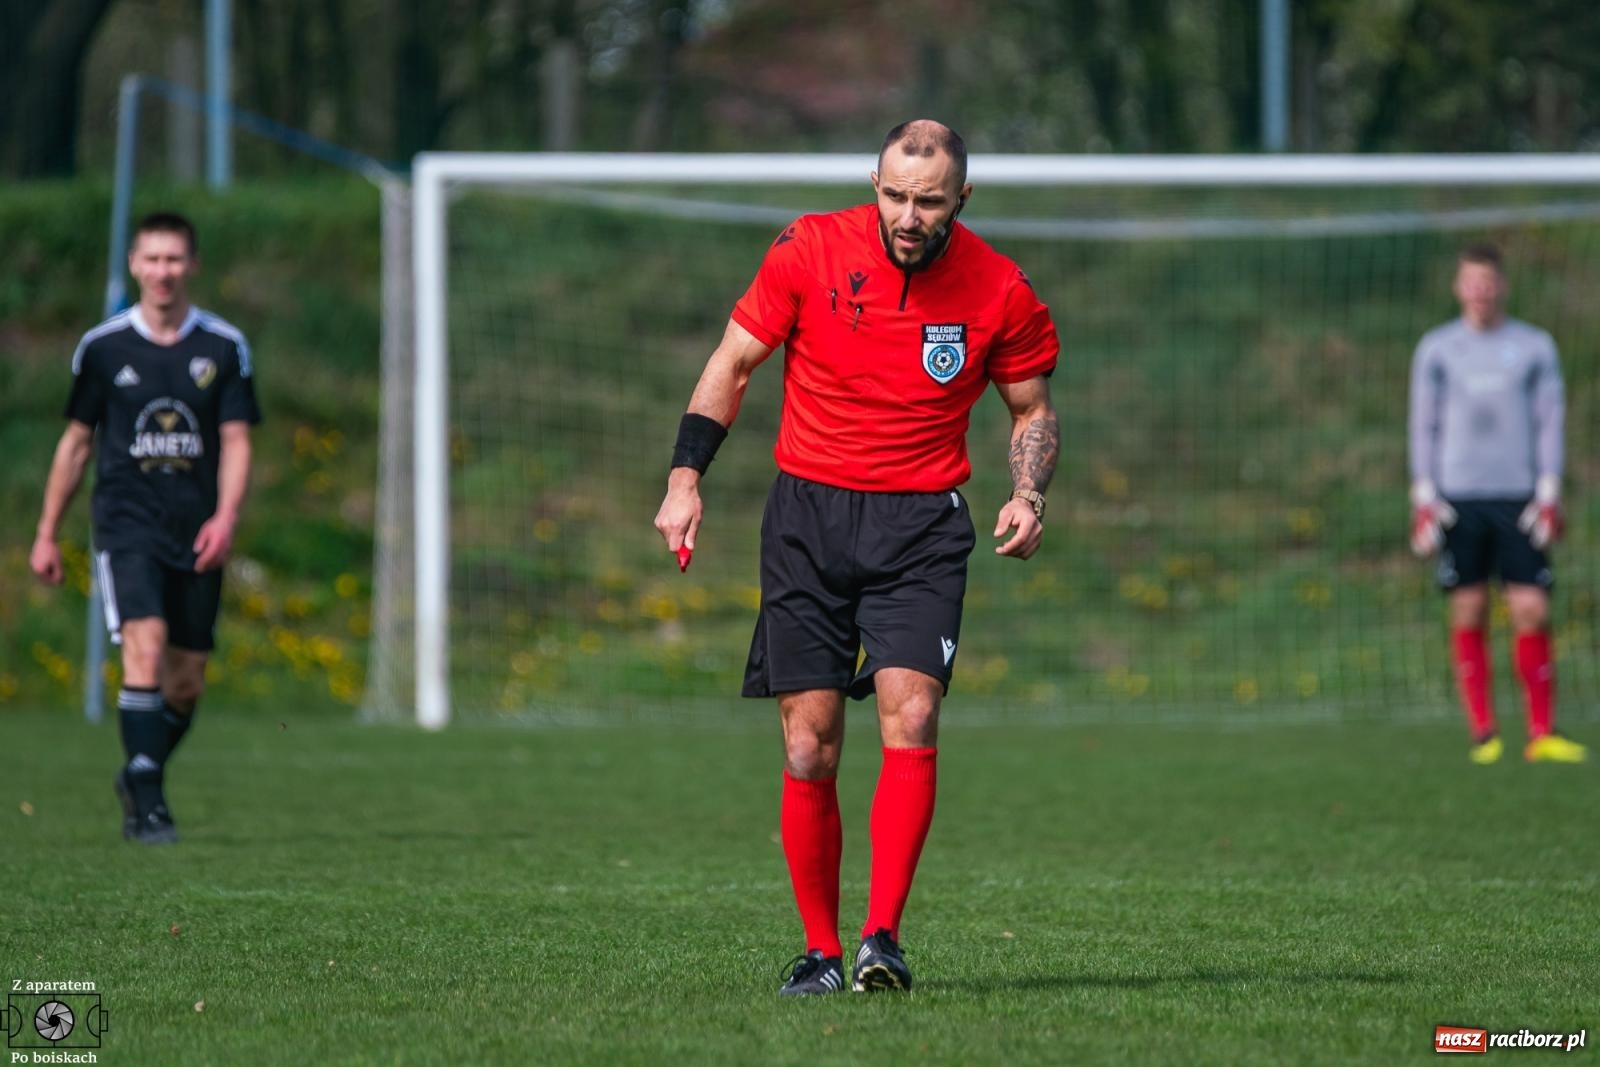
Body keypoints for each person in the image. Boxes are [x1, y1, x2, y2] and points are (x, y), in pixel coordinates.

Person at [653, 120, 1060, 995]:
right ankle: (820, 950)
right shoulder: (808, 248)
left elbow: (1031, 408)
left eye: (929, 202)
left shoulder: (999, 287)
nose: (909, 218)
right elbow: (734, 361)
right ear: (873, 182)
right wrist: (685, 479)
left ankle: (882, 938)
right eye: (895, 196)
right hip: (808, 518)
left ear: (962, 200)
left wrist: (1027, 495)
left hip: (921, 528)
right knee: (811, 748)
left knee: (910, 716)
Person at [30, 211, 261, 843]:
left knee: (185, 681)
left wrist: (226, 516)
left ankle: (141, 767)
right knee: (145, 643)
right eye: (152, 259)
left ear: (193, 266)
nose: (163, 271)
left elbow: (237, 440)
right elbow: (77, 444)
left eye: (174, 259)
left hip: (197, 528)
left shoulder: (223, 346)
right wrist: (47, 530)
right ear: (134, 265)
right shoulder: (103, 348)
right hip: (126, 524)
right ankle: (151, 806)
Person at [1408, 243, 1585, 765]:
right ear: (1458, 287)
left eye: (1489, 281)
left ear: (1501, 285)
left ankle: (1541, 733)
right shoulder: (1438, 349)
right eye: (1471, 281)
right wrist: (1423, 492)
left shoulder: (1534, 346)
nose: (1480, 291)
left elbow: (1550, 419)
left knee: (1531, 608)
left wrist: (1550, 487)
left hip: (1519, 496)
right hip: (1457, 497)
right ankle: (1484, 732)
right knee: (1470, 607)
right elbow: (1423, 424)